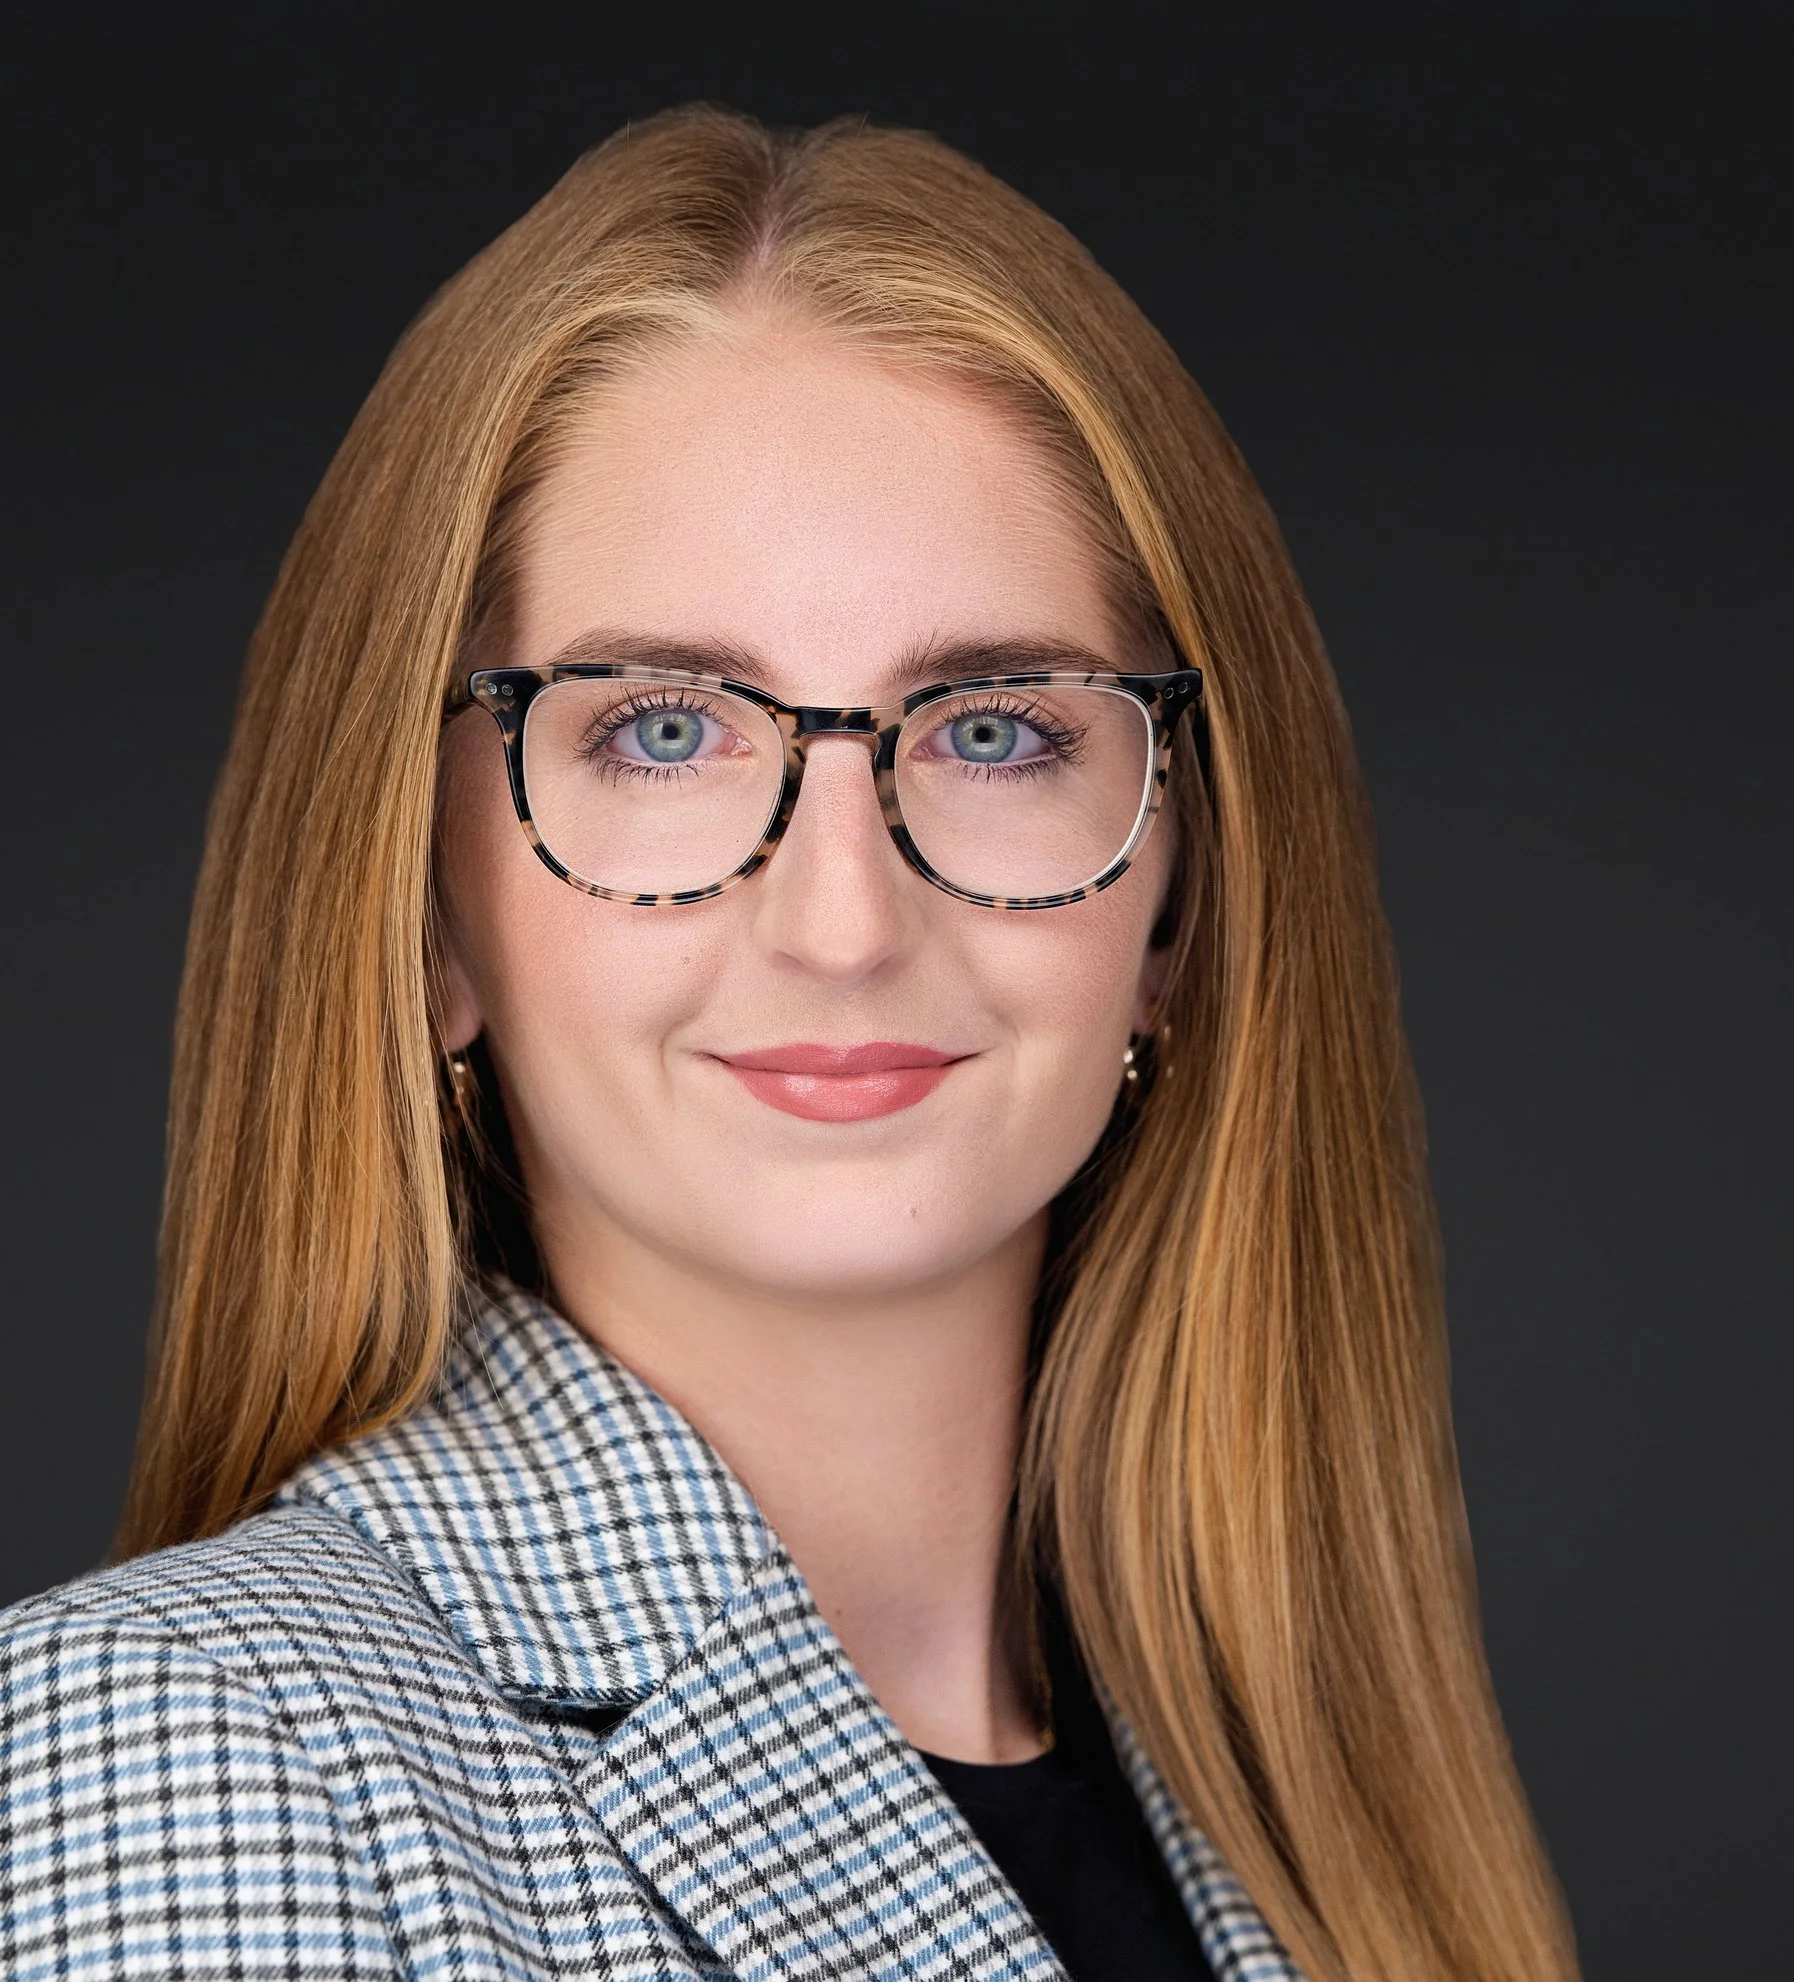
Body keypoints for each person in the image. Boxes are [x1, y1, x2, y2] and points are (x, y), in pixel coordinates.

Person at [0, 107, 1576, 1982]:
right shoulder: (188, 1742)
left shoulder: (1320, 1850)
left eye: (995, 731)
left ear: (1179, 901)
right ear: (425, 913)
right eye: (664, 730)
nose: (842, 922)